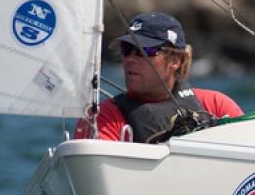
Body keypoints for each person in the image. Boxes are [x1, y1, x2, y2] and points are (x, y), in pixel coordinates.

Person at [75, 12, 243, 143]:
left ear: (175, 60)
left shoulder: (216, 106)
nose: (130, 59)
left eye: (143, 51)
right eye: (127, 49)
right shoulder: (100, 119)